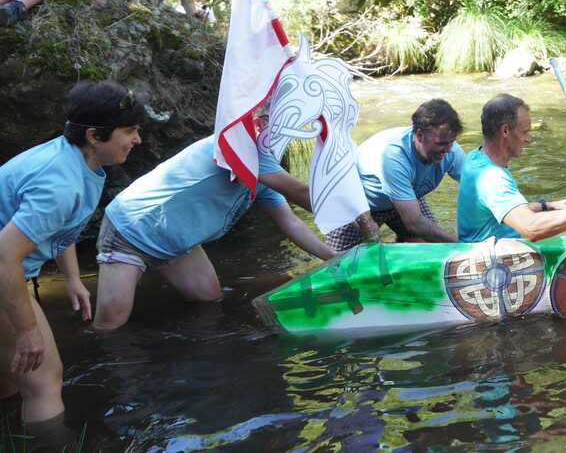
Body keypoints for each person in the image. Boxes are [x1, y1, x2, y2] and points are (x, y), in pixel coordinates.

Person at [92, 108, 335, 330]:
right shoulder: (237, 146)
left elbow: (290, 222)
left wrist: (333, 259)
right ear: (258, 123)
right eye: (276, 125)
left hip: (177, 242)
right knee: (110, 325)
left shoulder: (264, 171)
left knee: (209, 303)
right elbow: (300, 193)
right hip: (132, 231)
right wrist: (352, 214)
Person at [0, 82, 145, 440]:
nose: (137, 140)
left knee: (9, 380)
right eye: (129, 131)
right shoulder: (59, 183)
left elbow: (55, 228)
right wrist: (28, 330)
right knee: (44, 381)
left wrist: (72, 278)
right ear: (94, 135)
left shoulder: (73, 158)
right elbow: (4, 258)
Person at [457, 94, 566, 243]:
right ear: (505, 130)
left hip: (497, 247)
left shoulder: (475, 157)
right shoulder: (492, 177)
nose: (528, 139)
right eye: (524, 132)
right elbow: (531, 229)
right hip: (490, 264)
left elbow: (501, 208)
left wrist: (548, 206)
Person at [325, 99, 466, 251]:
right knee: (342, 262)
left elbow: (477, 186)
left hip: (404, 197)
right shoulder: (393, 156)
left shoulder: (450, 150)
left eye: (452, 142)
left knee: (429, 247)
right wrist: (461, 246)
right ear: (419, 136)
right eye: (441, 144)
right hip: (357, 204)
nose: (448, 150)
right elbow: (414, 221)